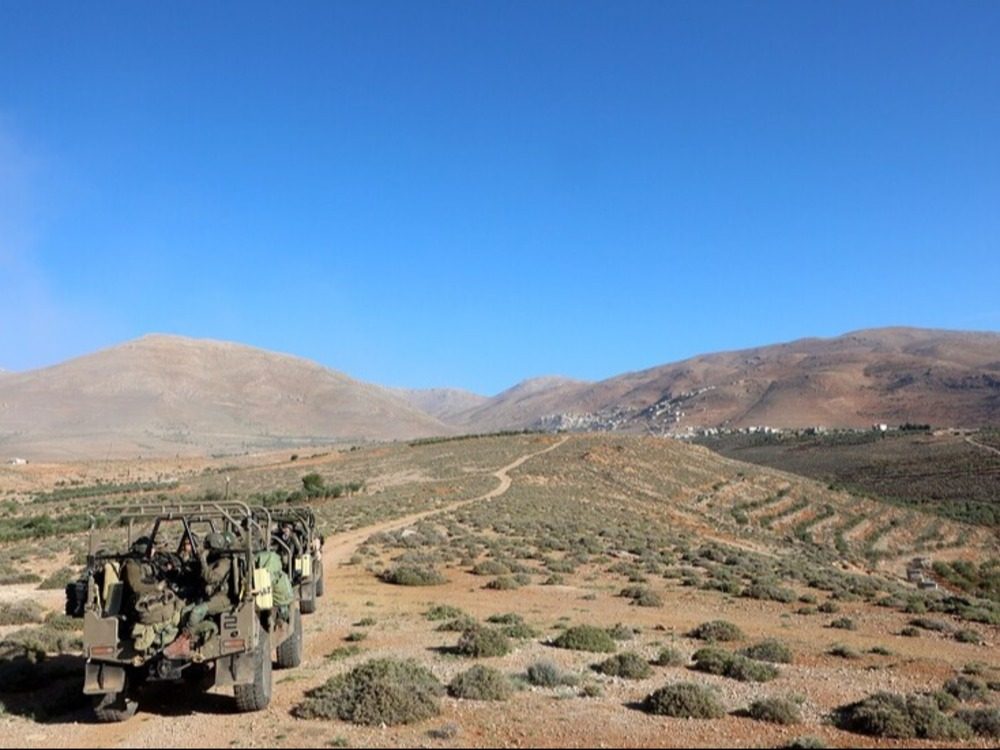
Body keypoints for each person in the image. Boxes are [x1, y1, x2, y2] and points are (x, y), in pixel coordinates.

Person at [164, 531, 234, 658]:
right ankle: (190, 640)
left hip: (222, 598)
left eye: (208, 547)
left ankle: (184, 641)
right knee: (185, 612)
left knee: (196, 612)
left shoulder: (224, 562)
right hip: (209, 595)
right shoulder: (214, 559)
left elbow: (211, 578)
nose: (206, 549)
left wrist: (203, 561)